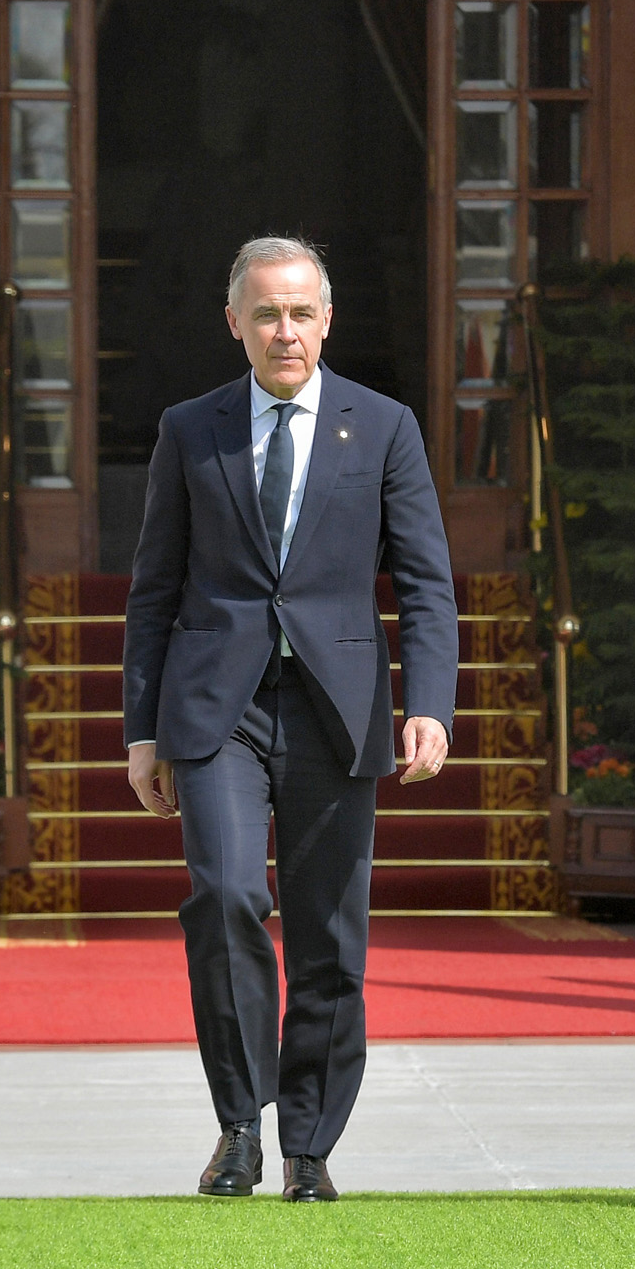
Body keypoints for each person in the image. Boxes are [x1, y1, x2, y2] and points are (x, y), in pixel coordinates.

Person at [123, 237, 458, 1203]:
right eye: (266, 313)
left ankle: (310, 1142)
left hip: (337, 708)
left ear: (326, 320)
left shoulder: (383, 425)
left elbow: (427, 581)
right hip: (215, 711)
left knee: (327, 930)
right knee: (226, 897)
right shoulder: (192, 429)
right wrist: (143, 729)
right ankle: (239, 1126)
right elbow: (154, 589)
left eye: (300, 312)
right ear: (234, 322)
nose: (285, 331)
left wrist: (430, 703)